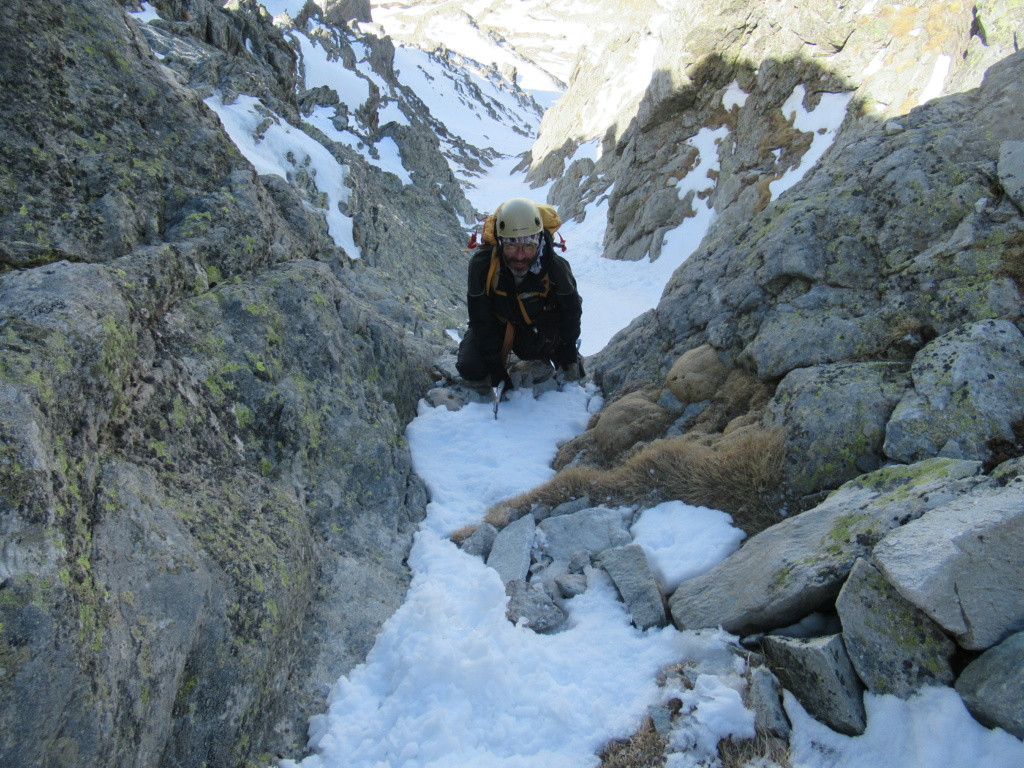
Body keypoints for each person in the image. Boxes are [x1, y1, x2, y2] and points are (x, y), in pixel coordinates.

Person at [456, 197, 583, 391]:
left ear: (539, 243)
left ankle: (551, 349)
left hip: (539, 324)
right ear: (500, 244)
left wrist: (568, 346)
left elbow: (572, 309)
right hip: (498, 323)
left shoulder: (555, 267)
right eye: (512, 246)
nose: (520, 255)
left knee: (539, 354)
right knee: (470, 367)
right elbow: (479, 317)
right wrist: (494, 364)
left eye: (528, 246)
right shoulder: (482, 266)